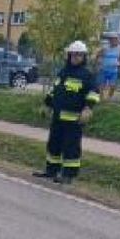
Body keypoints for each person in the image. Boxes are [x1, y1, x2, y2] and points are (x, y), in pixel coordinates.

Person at [34, 40, 100, 184]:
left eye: (79, 55)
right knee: (53, 145)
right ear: (69, 56)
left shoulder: (87, 75)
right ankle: (51, 171)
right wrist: (46, 105)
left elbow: (94, 93)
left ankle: (68, 175)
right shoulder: (63, 72)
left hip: (74, 120)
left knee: (71, 148)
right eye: (73, 55)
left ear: (84, 57)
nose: (75, 58)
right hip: (57, 117)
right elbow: (54, 90)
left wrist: (88, 108)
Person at [96, 34, 120, 100]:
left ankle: (109, 98)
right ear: (110, 41)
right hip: (104, 69)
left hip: (113, 71)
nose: (115, 41)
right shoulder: (105, 48)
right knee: (101, 86)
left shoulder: (119, 50)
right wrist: (99, 61)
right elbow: (98, 56)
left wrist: (119, 64)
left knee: (113, 86)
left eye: (116, 40)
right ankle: (101, 98)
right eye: (113, 40)